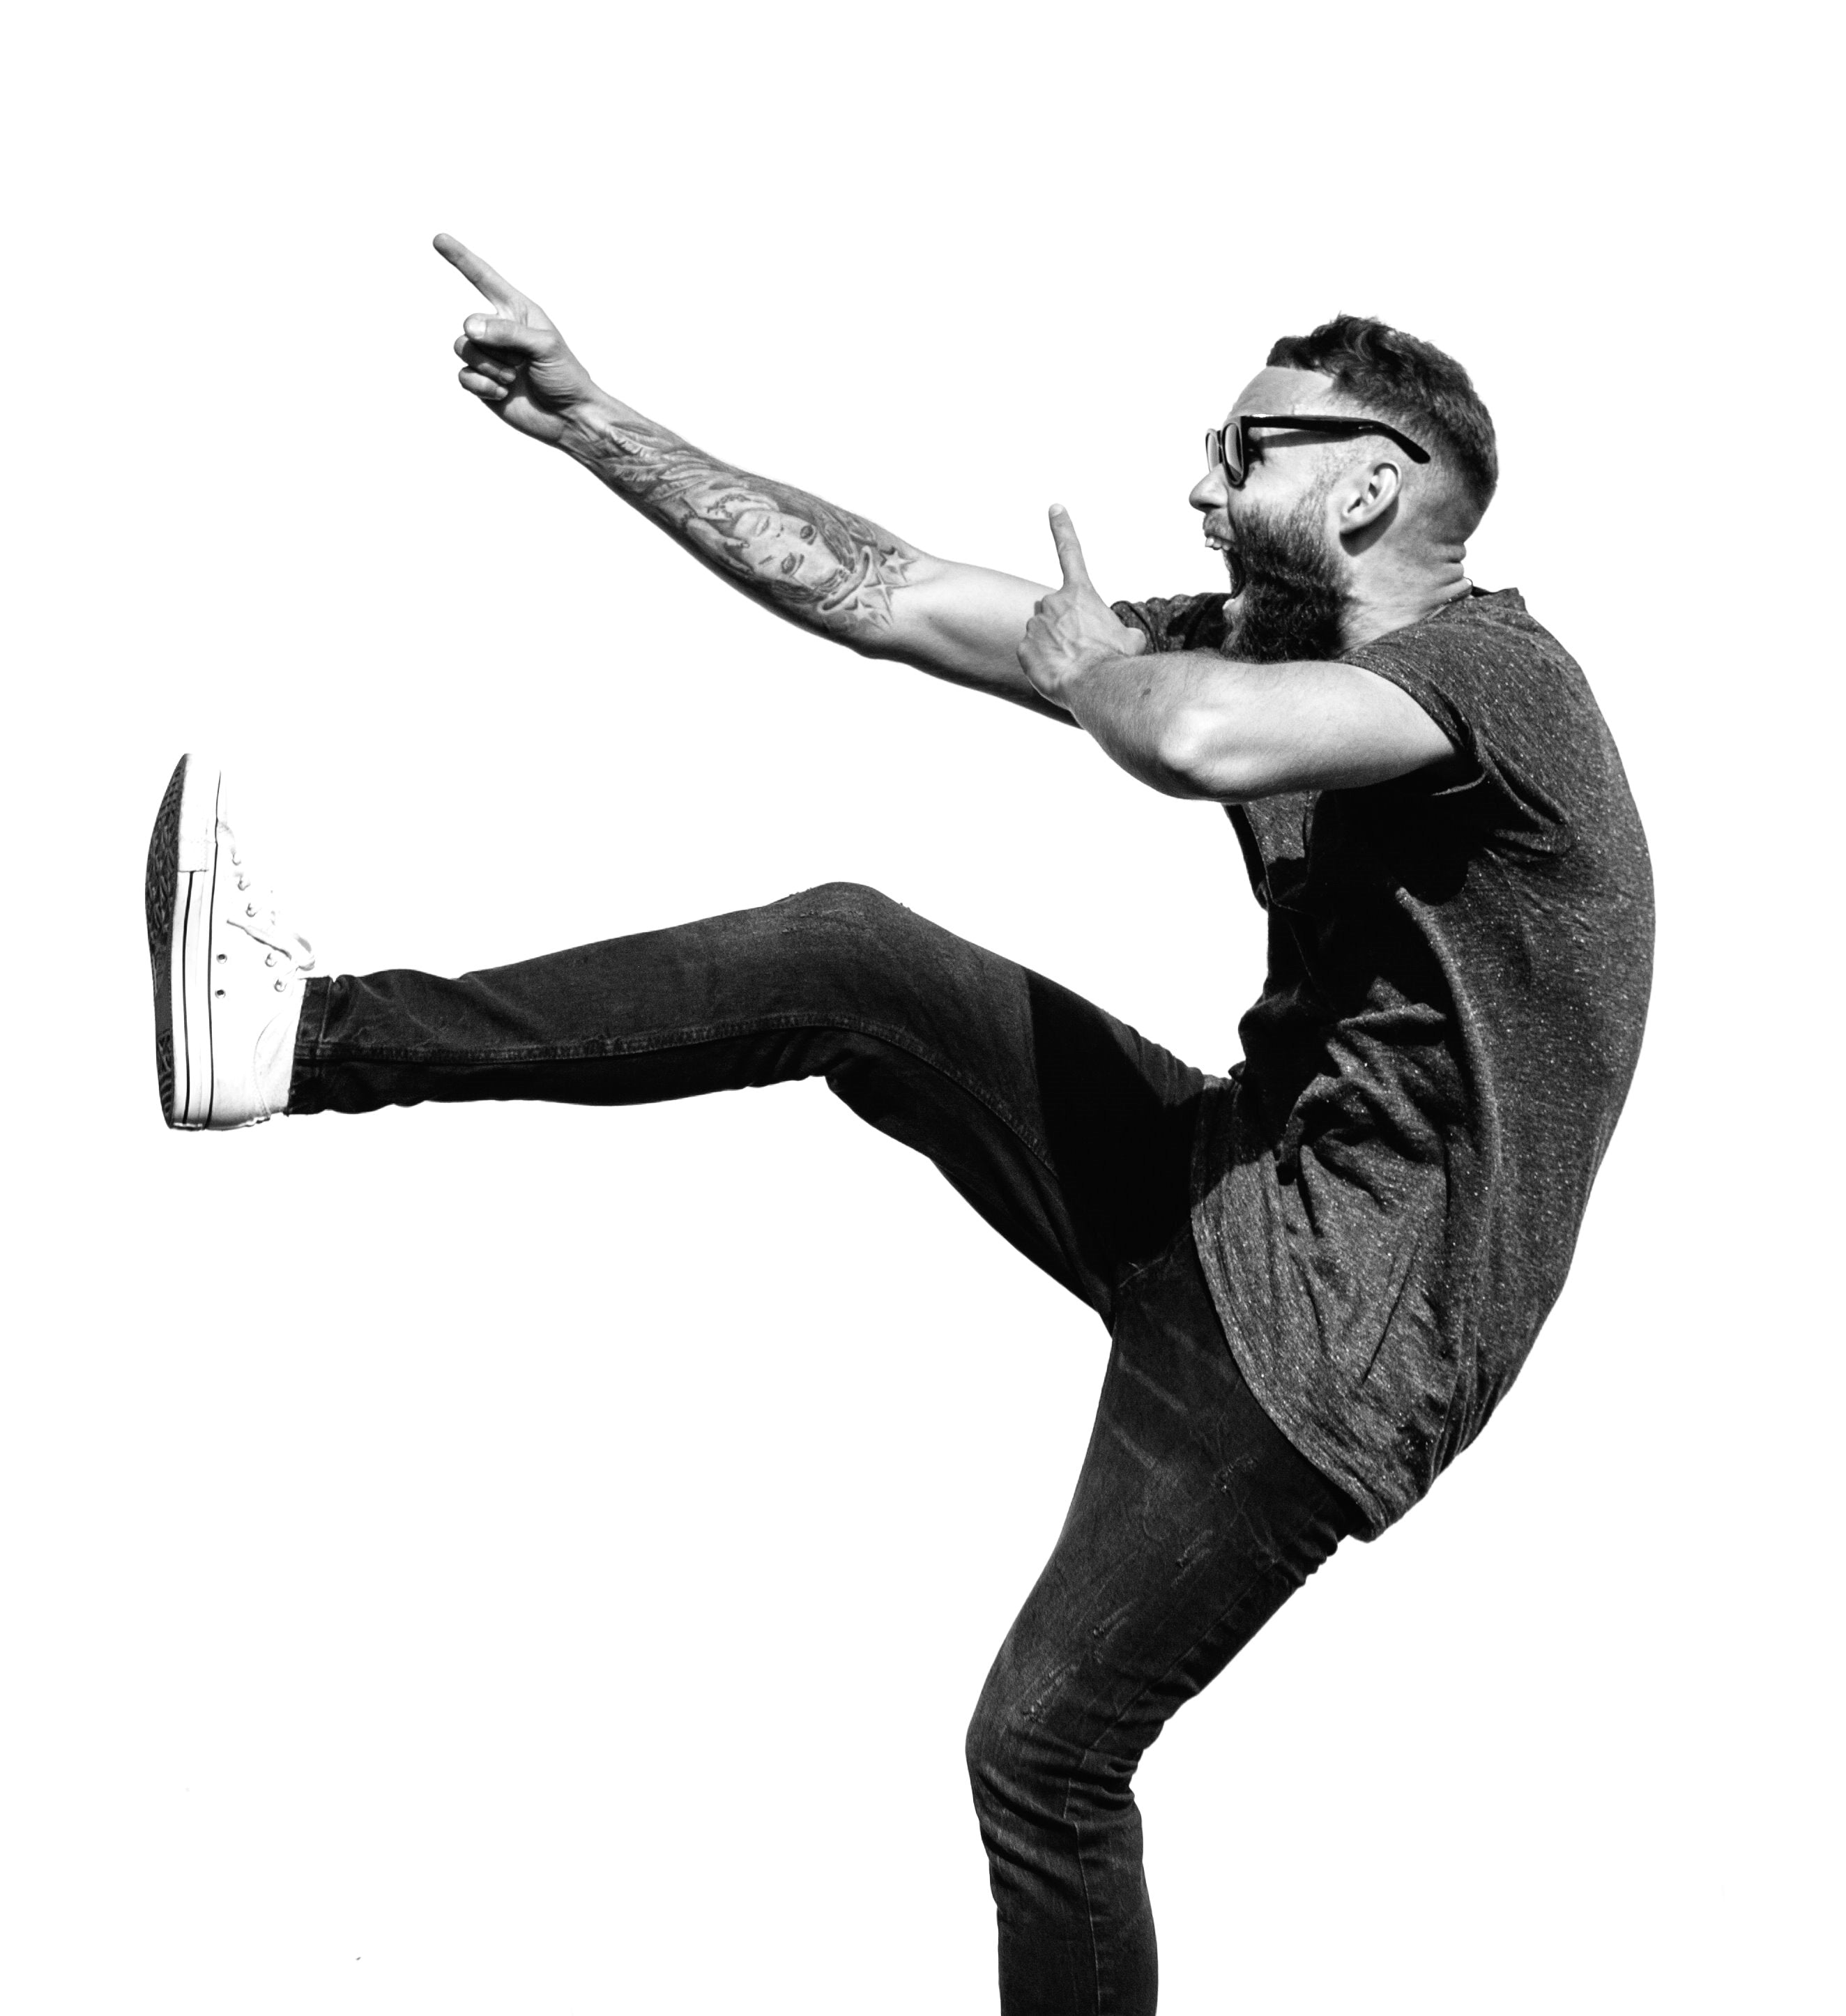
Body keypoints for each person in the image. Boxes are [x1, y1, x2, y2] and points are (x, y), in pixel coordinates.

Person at [142, 235, 1654, 2016]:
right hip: (1225, 1188)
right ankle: (300, 1039)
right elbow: (890, 592)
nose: (1196, 483)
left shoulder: (1495, 682)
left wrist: (1092, 669)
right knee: (850, 957)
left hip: (1337, 1344)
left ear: (1372, 484)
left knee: (1045, 1753)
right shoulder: (1247, 652)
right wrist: (592, 418)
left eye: (1242, 451)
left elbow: (1196, 740)